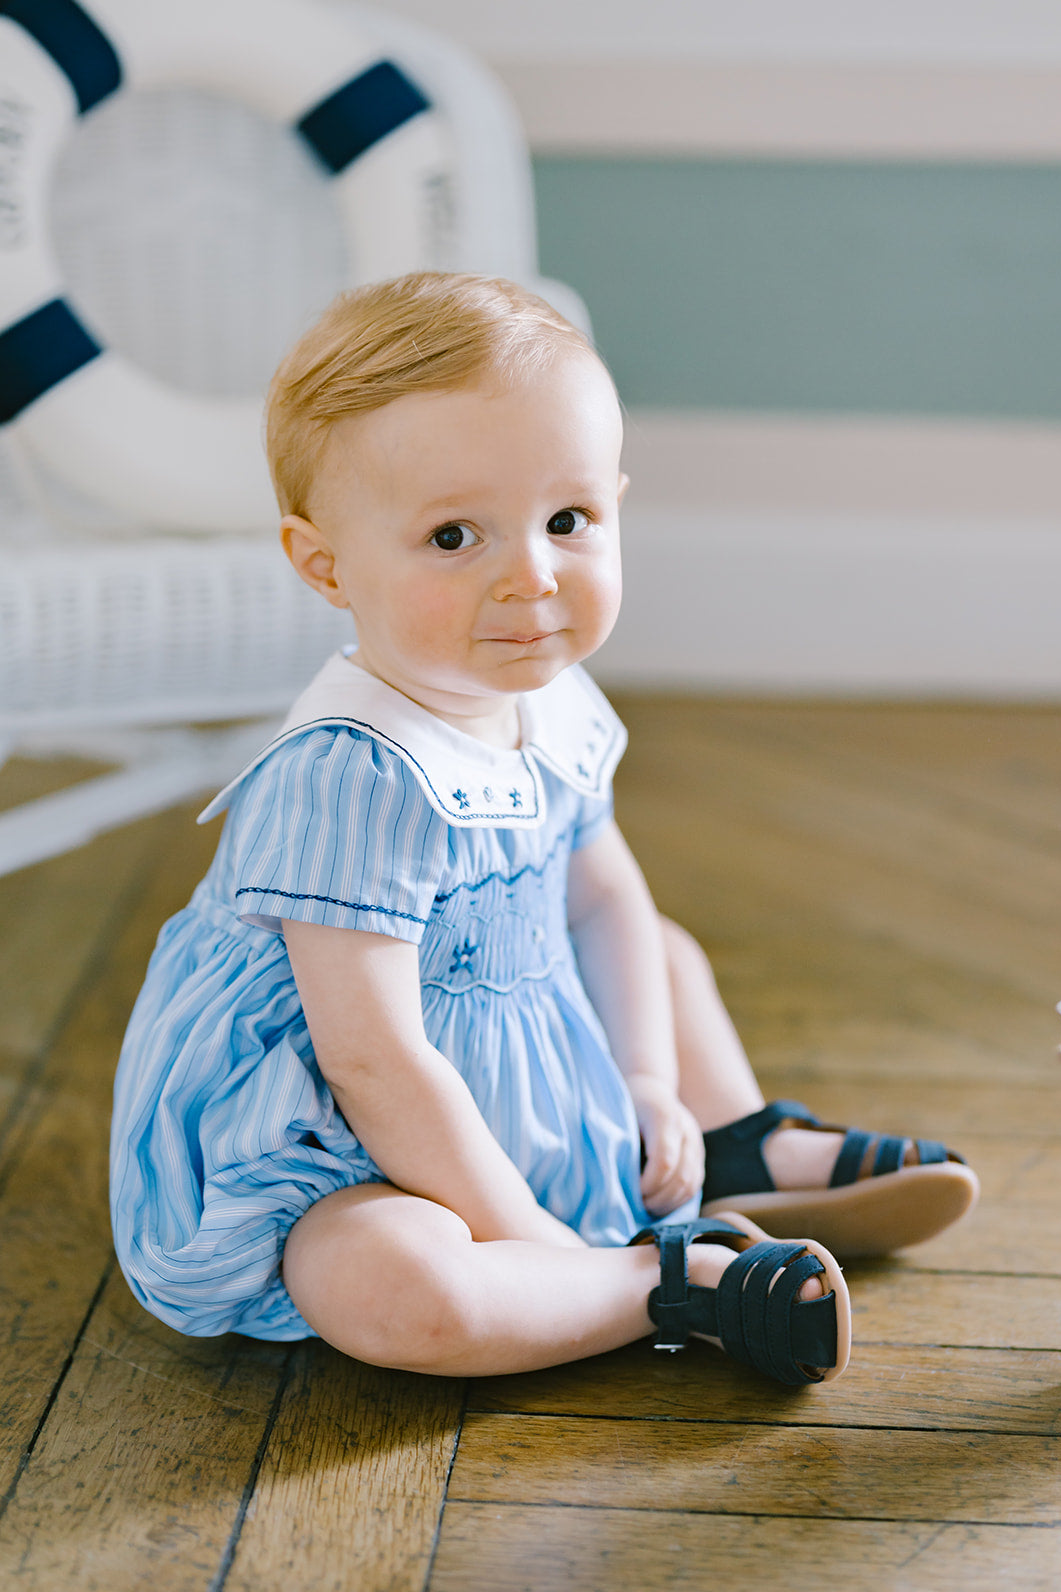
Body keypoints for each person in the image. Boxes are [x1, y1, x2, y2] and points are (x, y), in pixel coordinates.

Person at [110, 273, 977, 1387]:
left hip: (518, 1063)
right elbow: (373, 1060)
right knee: (398, 1289)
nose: (530, 578)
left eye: (567, 521)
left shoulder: (548, 696)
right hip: (347, 1142)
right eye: (455, 535)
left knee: (659, 946)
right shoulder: (349, 777)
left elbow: (603, 896)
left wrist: (648, 1083)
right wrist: (522, 1233)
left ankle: (723, 1141)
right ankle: (659, 1279)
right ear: (325, 563)